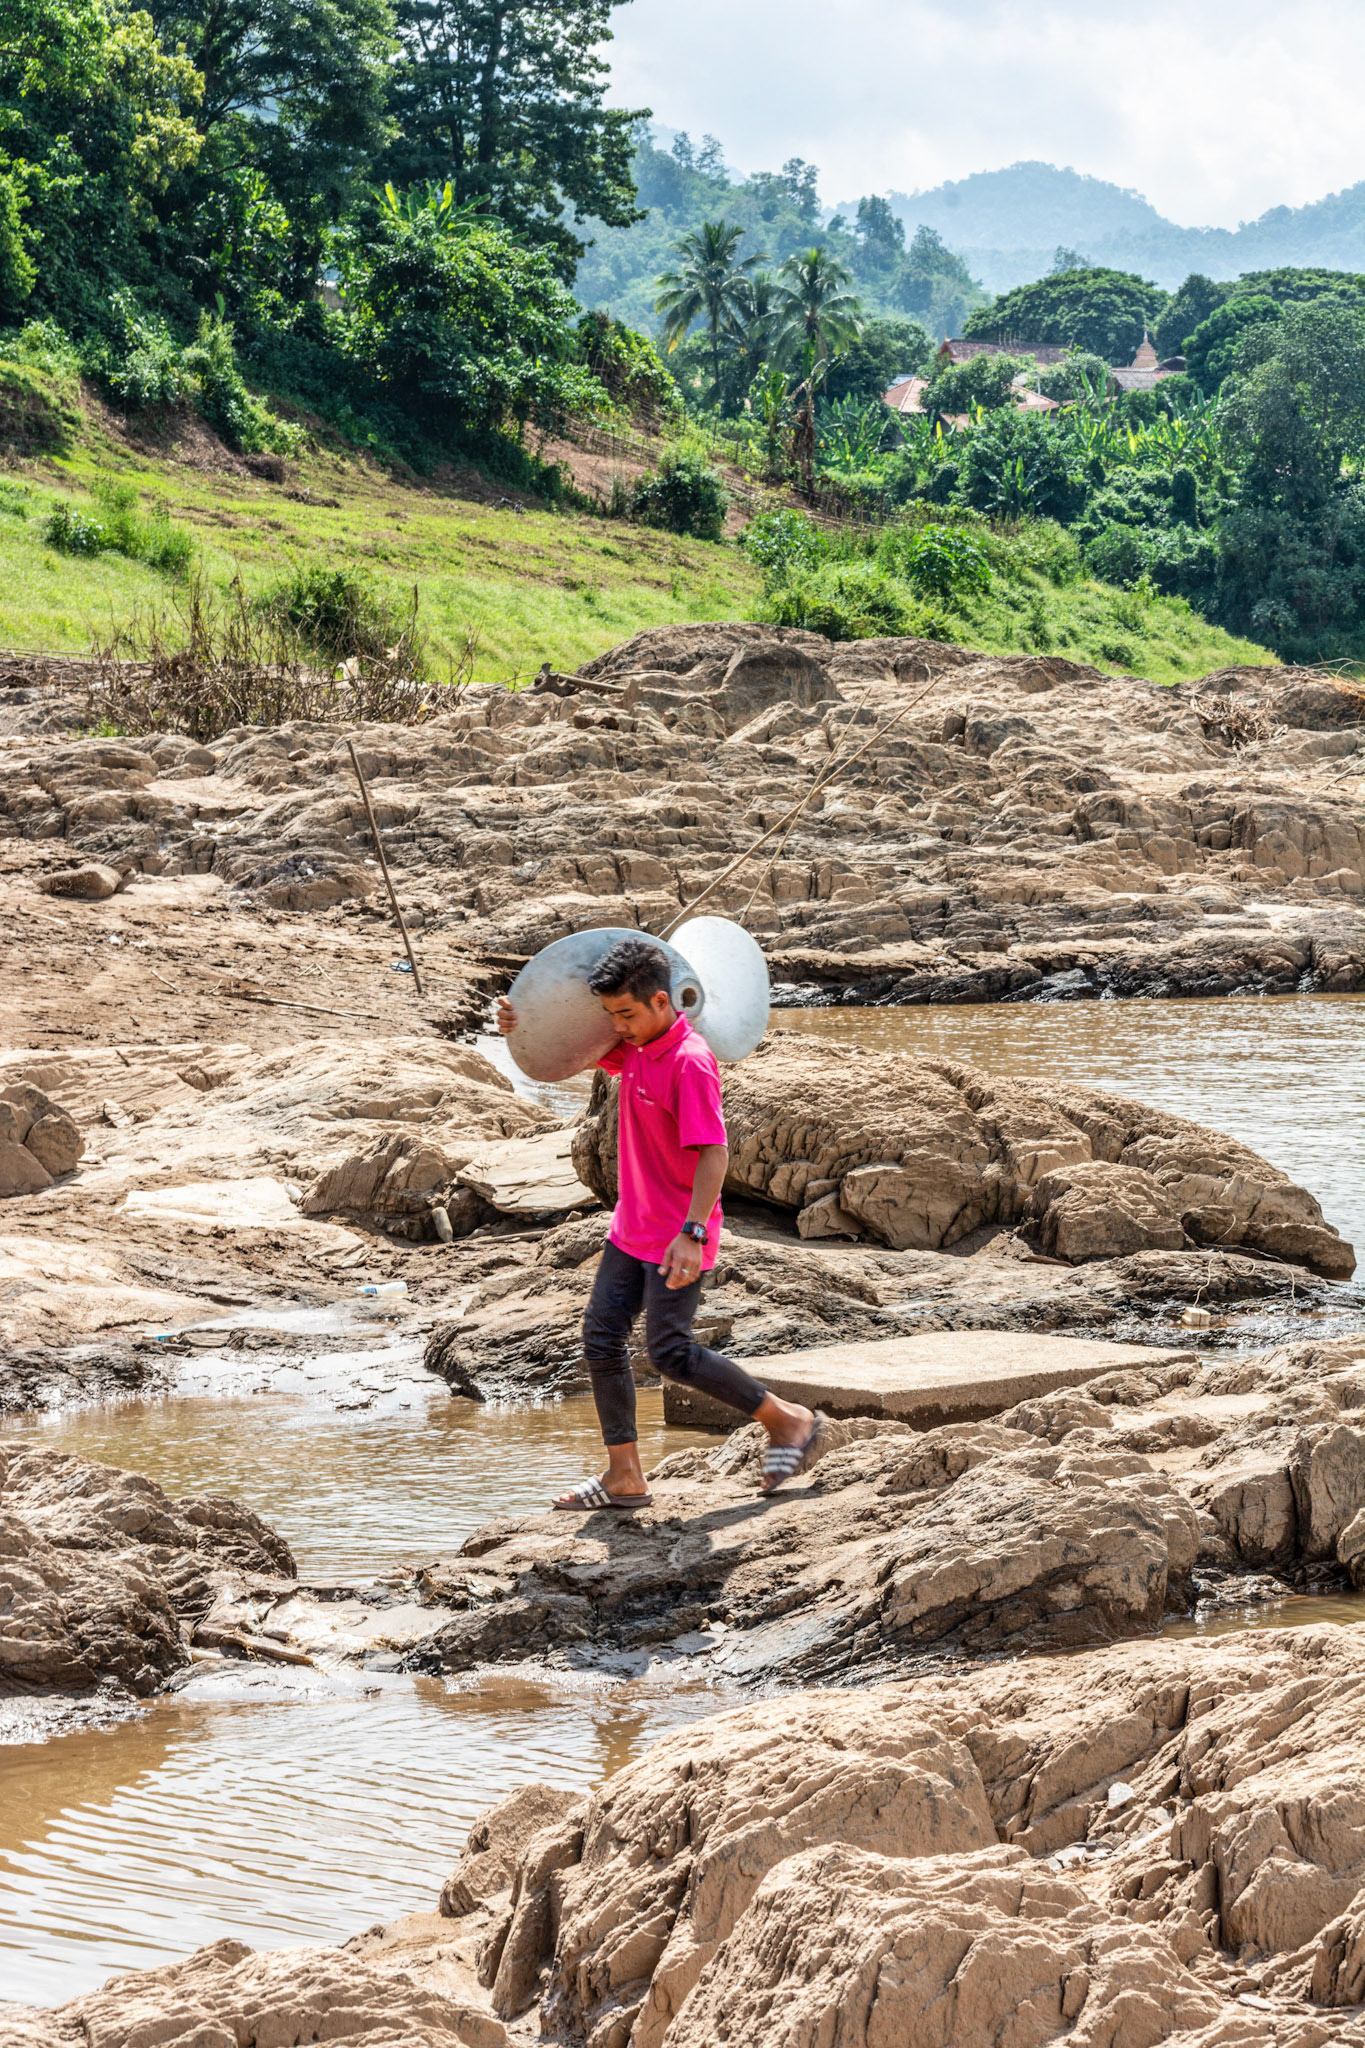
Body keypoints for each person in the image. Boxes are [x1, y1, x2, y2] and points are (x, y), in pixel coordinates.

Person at [497, 936, 825, 1508]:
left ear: (662, 1001)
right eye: (611, 1016)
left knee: (670, 1352)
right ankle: (623, 1475)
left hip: (678, 1234)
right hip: (631, 1228)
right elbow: (566, 1051)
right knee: (601, 1339)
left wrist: (694, 1233)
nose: (617, 1026)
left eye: (626, 1014)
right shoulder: (637, 1048)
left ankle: (787, 1419)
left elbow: (714, 1154)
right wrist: (521, 1022)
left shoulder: (690, 1062)